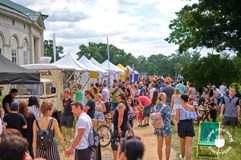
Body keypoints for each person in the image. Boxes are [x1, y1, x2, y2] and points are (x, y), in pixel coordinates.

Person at [175, 94, 197, 160]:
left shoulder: (179, 107)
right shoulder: (192, 107)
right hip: (189, 124)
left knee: (182, 144)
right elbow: (194, 118)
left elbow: (177, 118)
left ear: (182, 99)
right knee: (189, 145)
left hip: (182, 124)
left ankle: (182, 157)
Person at [152, 92, 172, 160]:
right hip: (166, 127)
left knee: (159, 145)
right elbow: (169, 117)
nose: (166, 98)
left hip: (157, 127)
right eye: (166, 97)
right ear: (163, 98)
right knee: (168, 145)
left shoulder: (154, 107)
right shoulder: (166, 107)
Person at [111, 92, 129, 160]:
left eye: (117, 95)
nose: (116, 97)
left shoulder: (121, 105)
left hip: (120, 128)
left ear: (120, 96)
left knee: (115, 144)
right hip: (121, 127)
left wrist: (118, 127)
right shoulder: (122, 104)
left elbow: (121, 117)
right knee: (121, 144)